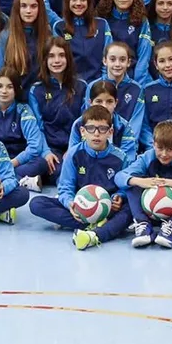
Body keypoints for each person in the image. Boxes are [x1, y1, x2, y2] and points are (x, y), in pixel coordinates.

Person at [28, 104, 132, 250]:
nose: (96, 134)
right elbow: (65, 187)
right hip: (81, 207)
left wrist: (119, 197)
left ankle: (97, 233)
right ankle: (100, 227)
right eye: (91, 128)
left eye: (102, 129)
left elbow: (125, 187)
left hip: (108, 209)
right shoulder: (73, 154)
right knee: (37, 204)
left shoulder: (121, 157)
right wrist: (70, 203)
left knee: (131, 208)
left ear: (110, 132)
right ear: (83, 131)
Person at [116, 120, 172, 248]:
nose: (164, 154)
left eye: (170, 149)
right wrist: (140, 181)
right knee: (131, 182)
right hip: (149, 211)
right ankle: (143, 225)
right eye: (160, 148)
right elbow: (120, 176)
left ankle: (171, 226)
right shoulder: (148, 157)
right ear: (154, 145)